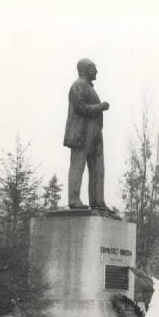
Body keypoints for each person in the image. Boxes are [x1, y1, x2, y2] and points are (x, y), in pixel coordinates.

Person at [63, 58, 112, 212]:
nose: (96, 71)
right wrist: (101, 107)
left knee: (98, 166)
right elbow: (81, 107)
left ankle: (98, 201)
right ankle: (74, 199)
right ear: (85, 69)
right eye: (93, 68)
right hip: (82, 130)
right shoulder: (78, 86)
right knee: (78, 165)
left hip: (95, 129)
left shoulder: (88, 87)